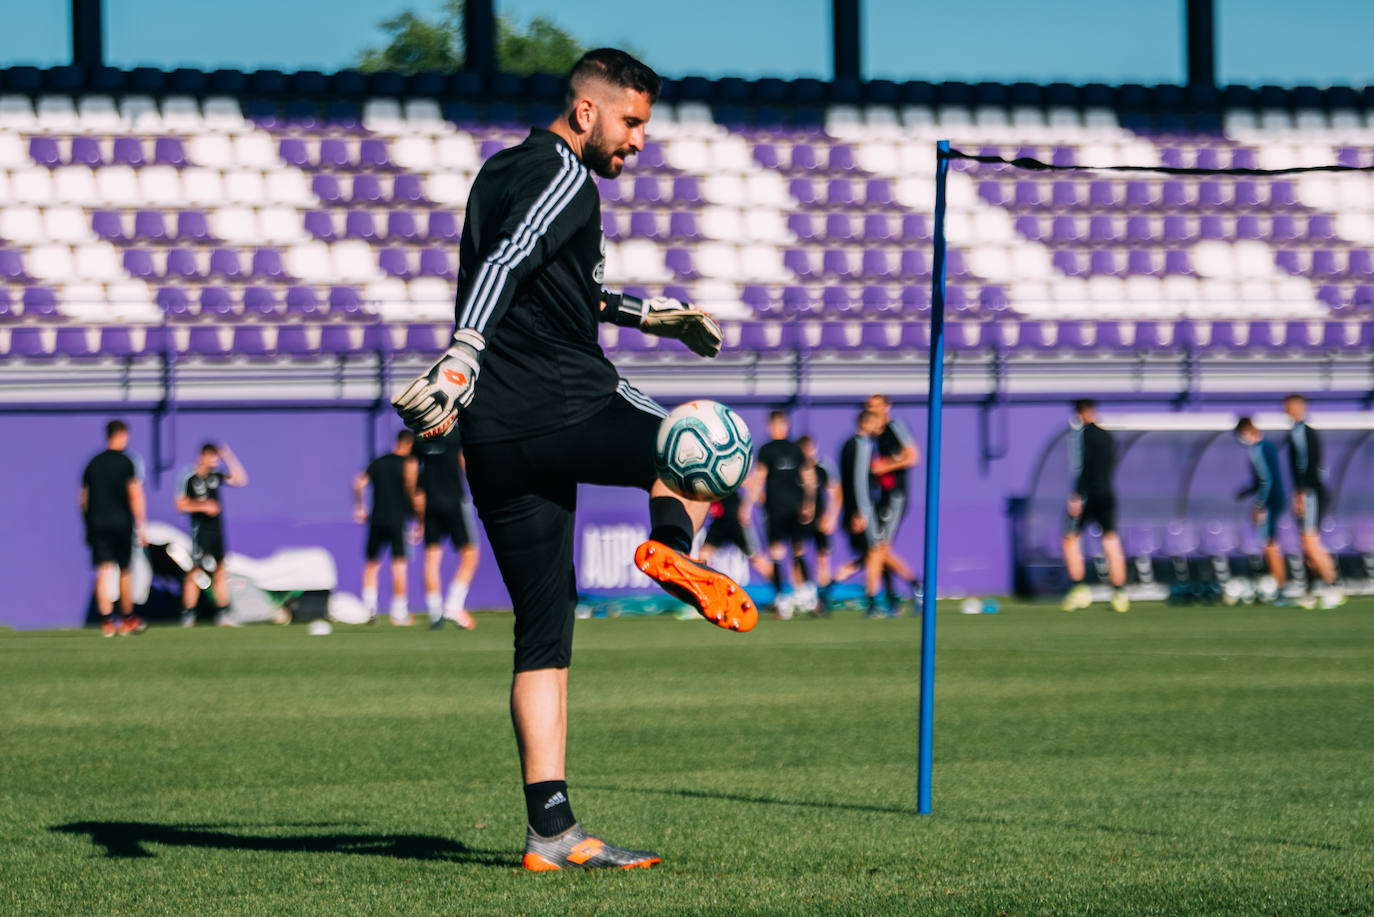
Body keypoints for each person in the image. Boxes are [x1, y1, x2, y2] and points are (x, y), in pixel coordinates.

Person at [390, 49, 753, 871]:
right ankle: (674, 545)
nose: (638, 143)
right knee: (701, 448)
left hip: (494, 439)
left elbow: (550, 284)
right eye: (631, 123)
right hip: (566, 400)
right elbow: (510, 261)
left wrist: (649, 315)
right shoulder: (566, 176)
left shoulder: (500, 170)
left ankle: (550, 830)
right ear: (586, 113)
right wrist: (463, 349)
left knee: (543, 633)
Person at [80, 420, 149, 636]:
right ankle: (127, 618)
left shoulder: (93, 463)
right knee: (124, 570)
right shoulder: (126, 462)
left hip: (98, 523)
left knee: (103, 569)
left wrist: (88, 524)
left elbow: (83, 499)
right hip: (121, 523)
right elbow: (135, 494)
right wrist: (141, 525)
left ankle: (107, 621)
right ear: (121, 435)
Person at [1060, 399, 1129, 613]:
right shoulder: (1108, 436)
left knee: (1070, 538)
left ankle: (1079, 589)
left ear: (1081, 413)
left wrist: (1077, 495)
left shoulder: (1084, 435)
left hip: (1089, 495)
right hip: (1107, 493)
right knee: (1110, 539)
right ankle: (1119, 593)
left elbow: (1085, 466)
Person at [175, 442, 248, 627]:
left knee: (221, 570)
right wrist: (203, 506)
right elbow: (180, 504)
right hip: (201, 532)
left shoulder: (215, 476)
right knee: (195, 571)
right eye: (213, 457)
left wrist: (228, 456)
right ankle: (188, 614)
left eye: (217, 457)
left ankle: (223, 613)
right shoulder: (189, 477)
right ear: (203, 456)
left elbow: (240, 479)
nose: (216, 461)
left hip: (217, 532)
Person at [1282, 395, 1344, 609]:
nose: (1286, 410)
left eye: (1290, 406)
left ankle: (1334, 585)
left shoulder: (1303, 433)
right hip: (1307, 492)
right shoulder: (1295, 433)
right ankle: (1309, 592)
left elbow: (1307, 465)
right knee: (1305, 543)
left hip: (1311, 493)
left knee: (1310, 540)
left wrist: (1301, 493)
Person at [354, 430, 420, 626]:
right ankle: (399, 613)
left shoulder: (379, 462)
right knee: (399, 564)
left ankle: (370, 609)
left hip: (377, 518)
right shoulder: (409, 464)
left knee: (372, 563)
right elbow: (412, 491)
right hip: (397, 519)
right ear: (408, 444)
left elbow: (359, 483)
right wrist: (417, 518)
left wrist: (359, 506)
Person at [416, 431, 480, 629]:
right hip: (454, 502)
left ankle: (435, 612)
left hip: (430, 504)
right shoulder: (456, 436)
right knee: (471, 554)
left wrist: (418, 515)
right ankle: (453, 604)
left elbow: (413, 474)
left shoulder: (421, 437)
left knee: (432, 558)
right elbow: (465, 463)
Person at [865, 394, 921, 615]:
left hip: (895, 496)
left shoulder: (895, 426)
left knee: (879, 547)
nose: (872, 410)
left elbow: (913, 456)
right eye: (869, 406)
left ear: (887, 407)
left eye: (876, 406)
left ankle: (883, 597)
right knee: (880, 549)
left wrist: (883, 466)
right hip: (883, 497)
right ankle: (896, 597)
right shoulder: (874, 435)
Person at [756, 411, 806, 618]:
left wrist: (808, 503)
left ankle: (800, 595)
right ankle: (784, 597)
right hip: (777, 508)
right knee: (780, 553)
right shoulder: (768, 450)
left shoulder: (795, 450)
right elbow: (759, 478)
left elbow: (807, 477)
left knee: (795, 551)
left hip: (789, 509)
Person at [1234, 416, 1288, 604]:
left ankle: (1280, 589)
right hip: (1276, 499)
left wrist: (1259, 505)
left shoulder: (1258, 449)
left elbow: (1266, 481)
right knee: (1270, 544)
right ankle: (1277, 586)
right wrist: (1248, 491)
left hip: (1271, 502)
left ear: (1247, 431)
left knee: (1270, 545)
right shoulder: (1269, 446)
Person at [838, 409, 887, 616]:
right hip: (864, 510)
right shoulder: (861, 444)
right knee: (876, 553)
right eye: (876, 422)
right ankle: (873, 601)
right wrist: (860, 512)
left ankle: (830, 586)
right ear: (865, 423)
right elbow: (858, 482)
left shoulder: (850, 444)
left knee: (871, 555)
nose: (879, 427)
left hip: (857, 509)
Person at [796, 434, 840, 613]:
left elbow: (835, 492)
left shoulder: (823, 466)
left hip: (820, 520)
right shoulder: (796, 468)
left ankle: (822, 599)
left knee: (822, 558)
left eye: (811, 448)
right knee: (797, 554)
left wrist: (831, 517)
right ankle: (802, 596)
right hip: (800, 520)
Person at [698, 482, 772, 582]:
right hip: (720, 522)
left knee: (756, 559)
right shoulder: (713, 480)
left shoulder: (733, 478)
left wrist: (747, 506)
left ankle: (779, 586)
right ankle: (700, 585)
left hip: (736, 524)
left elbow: (751, 485)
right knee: (704, 555)